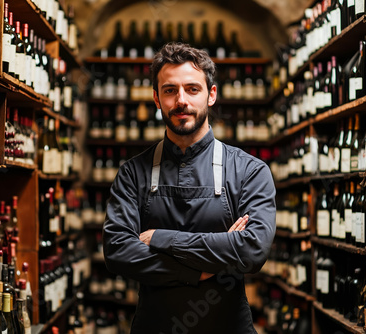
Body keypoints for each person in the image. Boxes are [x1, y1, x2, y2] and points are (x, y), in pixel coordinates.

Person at [103, 42, 276, 333]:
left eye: (192, 89)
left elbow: (252, 251)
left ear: (211, 95)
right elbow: (118, 251)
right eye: (170, 90)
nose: (181, 100)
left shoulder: (249, 171)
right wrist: (205, 269)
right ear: (157, 99)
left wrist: (161, 238)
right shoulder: (133, 173)